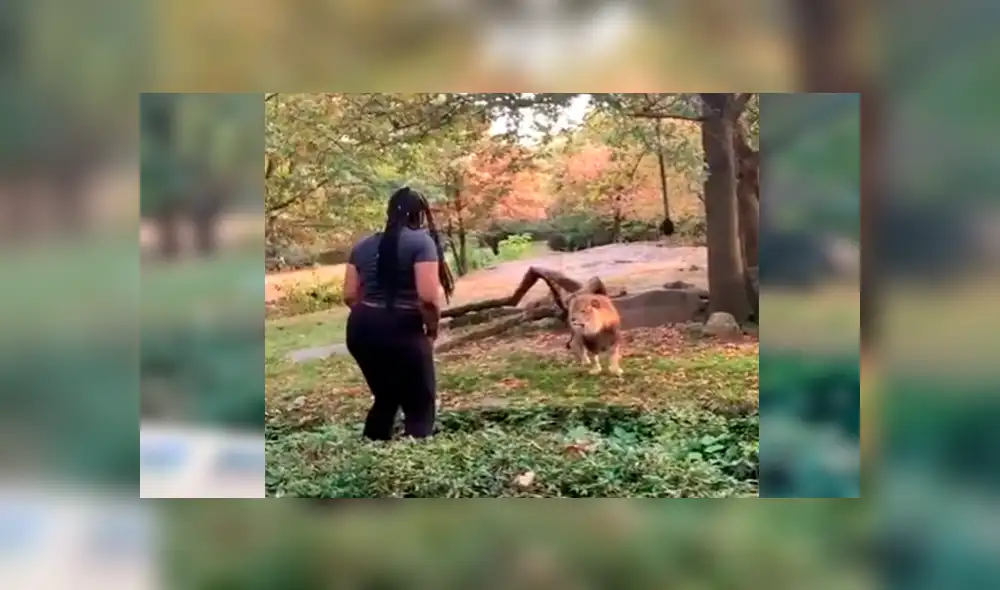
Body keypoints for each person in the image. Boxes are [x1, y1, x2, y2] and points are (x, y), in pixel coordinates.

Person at [341, 186, 455, 440]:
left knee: (386, 396)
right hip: (402, 328)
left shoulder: (362, 245)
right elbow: (427, 299)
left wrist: (373, 316)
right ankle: (417, 458)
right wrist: (432, 331)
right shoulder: (421, 242)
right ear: (420, 215)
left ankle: (372, 451)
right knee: (420, 401)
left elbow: (349, 295)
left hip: (360, 329)